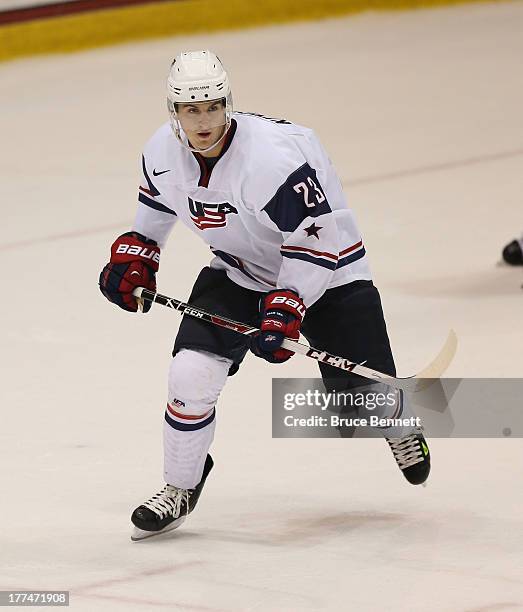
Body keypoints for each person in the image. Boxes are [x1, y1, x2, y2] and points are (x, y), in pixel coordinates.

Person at [99, 50, 431, 541]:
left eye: (212, 106)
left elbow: (315, 241)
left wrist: (289, 303)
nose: (203, 120)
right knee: (190, 375)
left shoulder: (270, 160)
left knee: (358, 402)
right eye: (191, 110)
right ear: (174, 112)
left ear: (227, 102)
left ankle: (398, 421)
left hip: (329, 271)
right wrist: (137, 255)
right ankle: (180, 486)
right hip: (238, 272)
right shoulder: (161, 152)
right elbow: (155, 208)